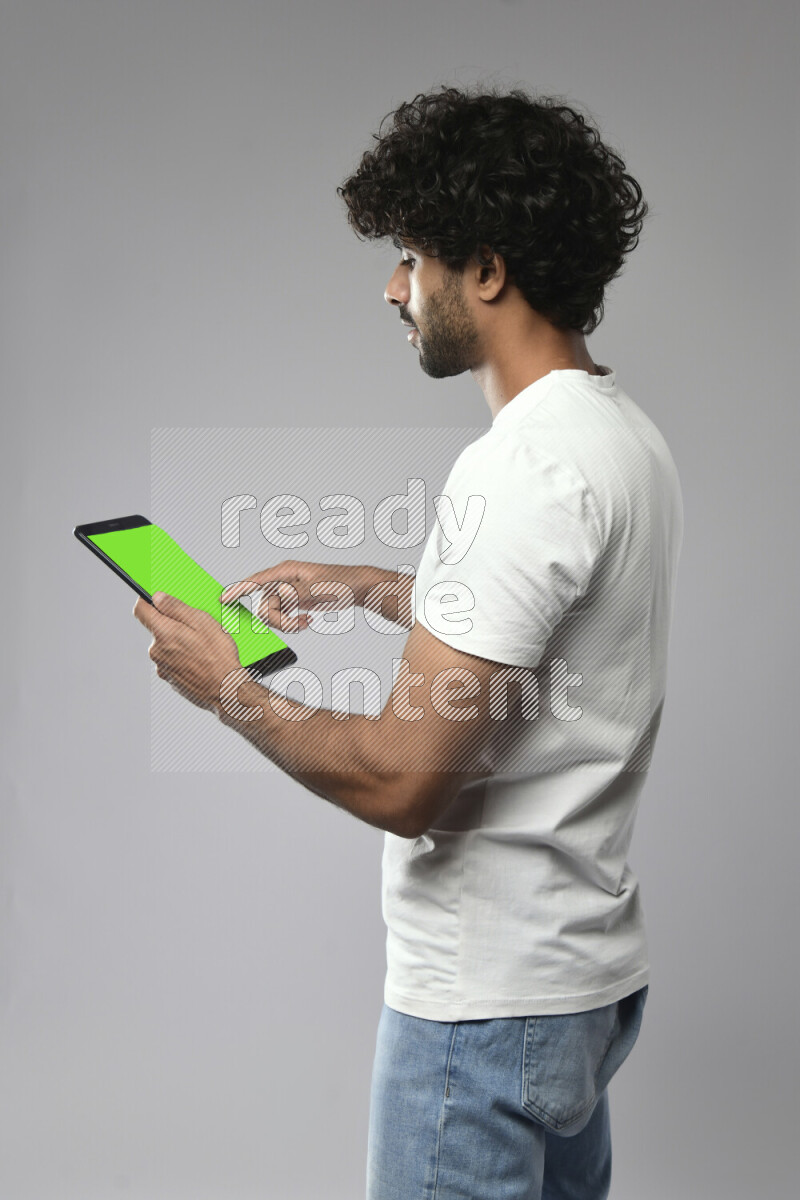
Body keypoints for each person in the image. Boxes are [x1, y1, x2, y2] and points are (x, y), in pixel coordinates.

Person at [134, 85, 683, 1199]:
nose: (393, 287)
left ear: (481, 270)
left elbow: (403, 782)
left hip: (479, 1016)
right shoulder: (618, 436)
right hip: (576, 986)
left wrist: (227, 687)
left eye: (407, 254)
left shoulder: (518, 469)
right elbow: (544, 649)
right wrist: (372, 586)